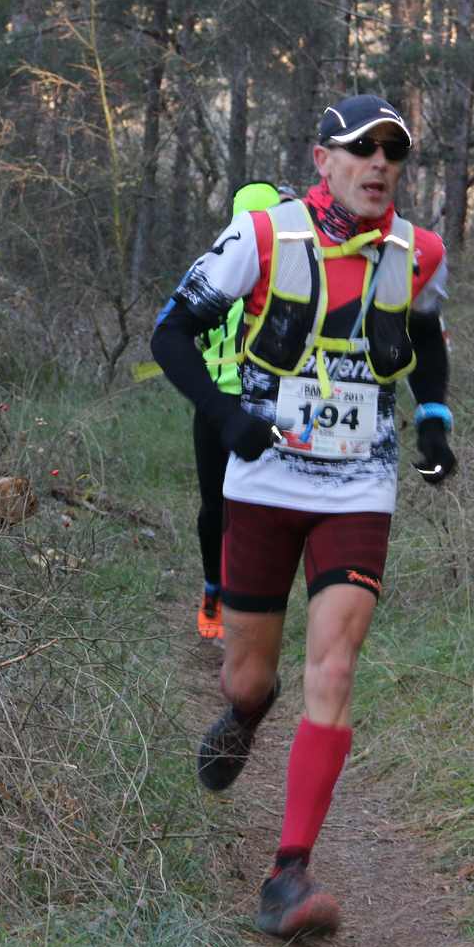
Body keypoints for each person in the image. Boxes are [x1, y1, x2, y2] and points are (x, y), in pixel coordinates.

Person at [149, 94, 456, 938]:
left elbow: (425, 342)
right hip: (264, 479)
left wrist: (433, 419)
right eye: (361, 150)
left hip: (359, 484)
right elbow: (171, 332)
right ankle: (246, 710)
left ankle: (289, 873)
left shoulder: (418, 251)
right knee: (250, 673)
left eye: (392, 152)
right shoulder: (265, 237)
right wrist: (227, 415)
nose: (379, 165)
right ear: (322, 159)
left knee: (337, 665)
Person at [188, 181, 291, 643]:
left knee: (238, 507)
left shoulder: (284, 274)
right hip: (232, 408)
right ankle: (218, 591)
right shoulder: (222, 268)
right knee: (225, 507)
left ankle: (235, 599)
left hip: (244, 408)